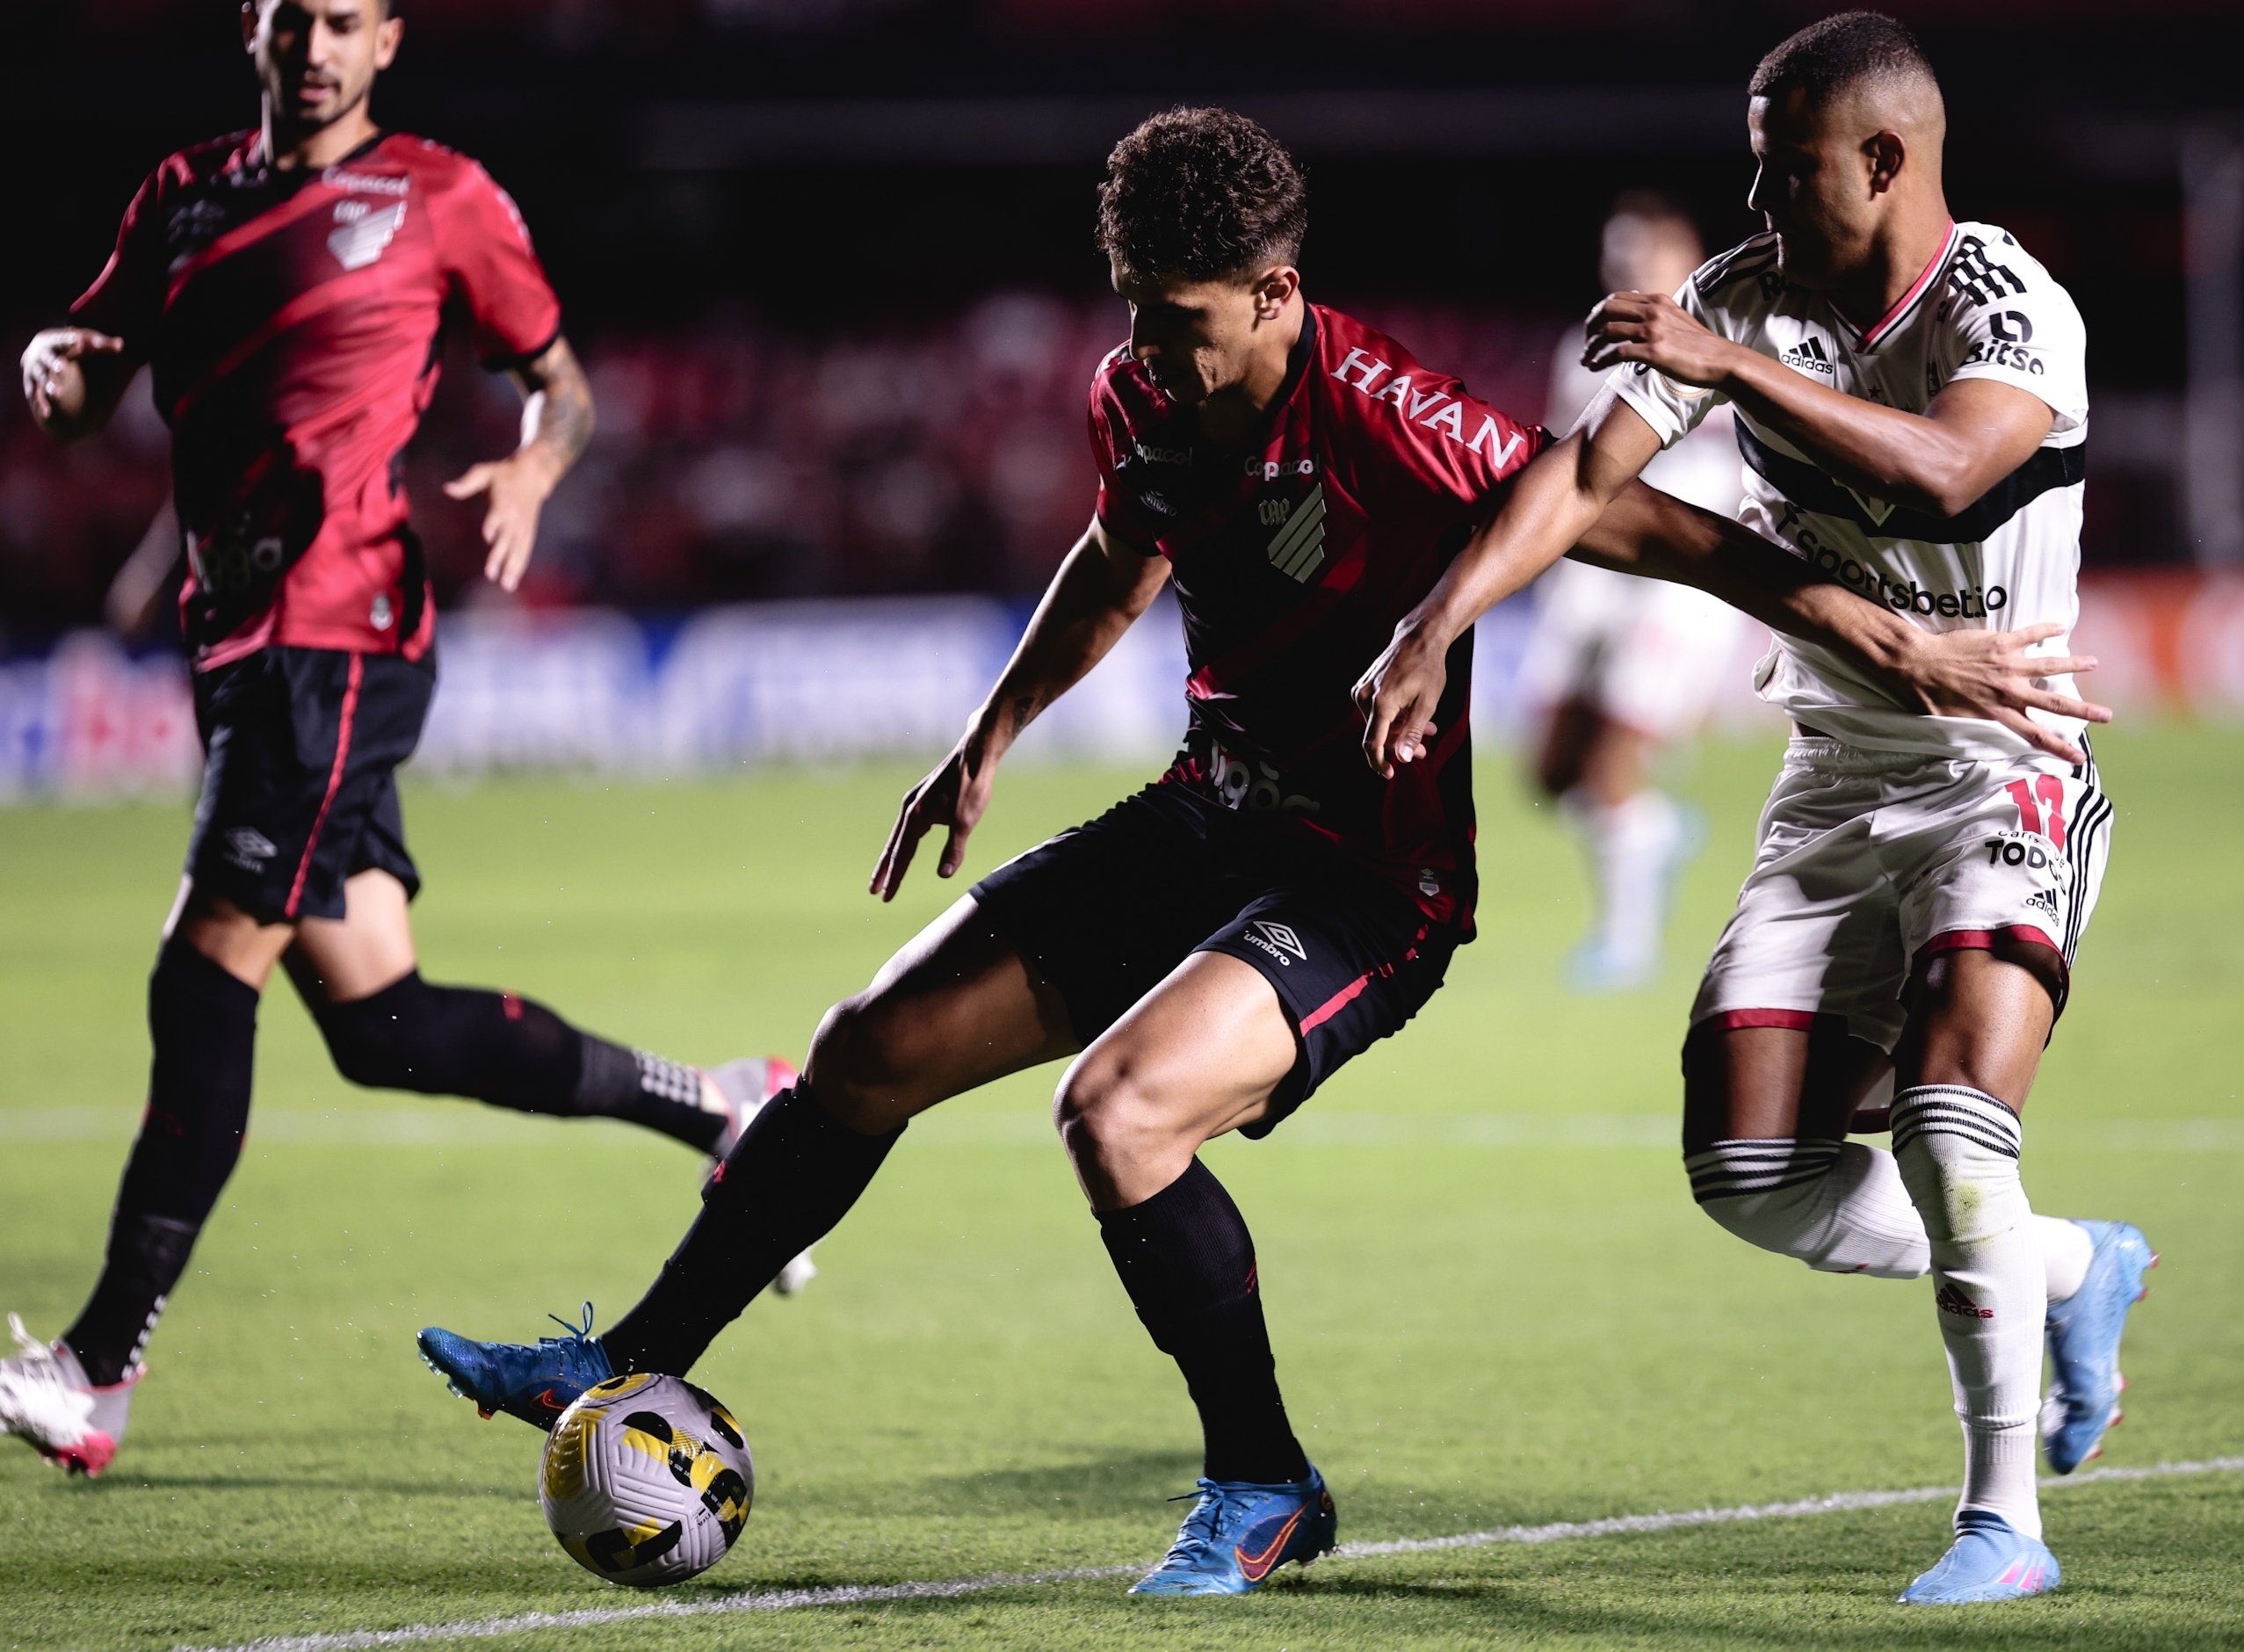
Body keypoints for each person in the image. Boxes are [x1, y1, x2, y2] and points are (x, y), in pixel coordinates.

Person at [412, 105, 2098, 1597]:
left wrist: (1881, 636)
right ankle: (623, 1368)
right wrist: (989, 733)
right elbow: (1112, 559)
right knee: (865, 1054)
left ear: (1281, 298)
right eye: (1143, 321)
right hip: (1210, 812)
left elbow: (1626, 511)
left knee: (1119, 1116)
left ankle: (1261, 1484)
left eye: (1197, 327)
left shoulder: (1384, 413)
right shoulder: (1137, 388)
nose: (1166, 357)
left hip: (1371, 882)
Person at [0, 0, 802, 1484]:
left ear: (386, 42)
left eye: (346, 24)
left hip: (343, 637)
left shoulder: (439, 199)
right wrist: (53, 377)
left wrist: (534, 467)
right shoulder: (185, 198)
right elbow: (90, 371)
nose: (316, 48)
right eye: (293, 18)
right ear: (256, 25)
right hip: (238, 638)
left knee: (204, 970)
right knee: (384, 1022)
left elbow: (565, 383)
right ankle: (724, 1106)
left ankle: (93, 1369)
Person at [1353, 13, 2146, 1607]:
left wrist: (1727, 367)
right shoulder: (1746, 289)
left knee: (1945, 1120)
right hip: (1831, 784)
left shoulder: (2004, 303)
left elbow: (1943, 466)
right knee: (1745, 1172)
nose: (1761, 199)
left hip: (2005, 764)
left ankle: (2003, 1525)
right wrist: (1440, 620)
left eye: (1788, 168)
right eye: (1753, 164)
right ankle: (2068, 1265)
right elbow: (1584, 483)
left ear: (1884, 159)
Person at [1517, 193, 1748, 989]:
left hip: (1679, 580)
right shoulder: (1579, 348)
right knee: (1548, 772)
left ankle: (1626, 941)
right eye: (1619, 257)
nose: (1630, 271)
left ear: (1688, 262)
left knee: (1613, 753)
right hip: (1589, 574)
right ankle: (1651, 831)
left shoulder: (1731, 342)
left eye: (1647, 256)